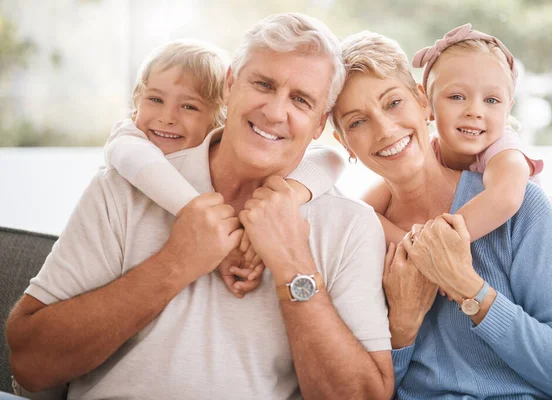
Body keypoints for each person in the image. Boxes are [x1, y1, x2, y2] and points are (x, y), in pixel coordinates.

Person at [6, 13, 393, 400]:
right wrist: (176, 262)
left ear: (319, 123)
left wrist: (294, 266)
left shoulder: (351, 225)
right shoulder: (123, 189)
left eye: (300, 100)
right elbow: (30, 363)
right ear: (230, 85)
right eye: (263, 84)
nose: (275, 112)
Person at [331, 30, 552, 398]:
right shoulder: (356, 237)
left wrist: (470, 290)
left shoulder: (519, 204)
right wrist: (401, 327)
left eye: (393, 103)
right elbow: (365, 392)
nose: (385, 129)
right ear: (344, 143)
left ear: (423, 102)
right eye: (357, 122)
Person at [104, 40, 345, 298]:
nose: (166, 117)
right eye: (154, 99)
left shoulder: (341, 219)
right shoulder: (130, 140)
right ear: (136, 100)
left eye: (189, 106)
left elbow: (330, 158)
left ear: (220, 115)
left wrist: (286, 199)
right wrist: (209, 225)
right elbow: (132, 156)